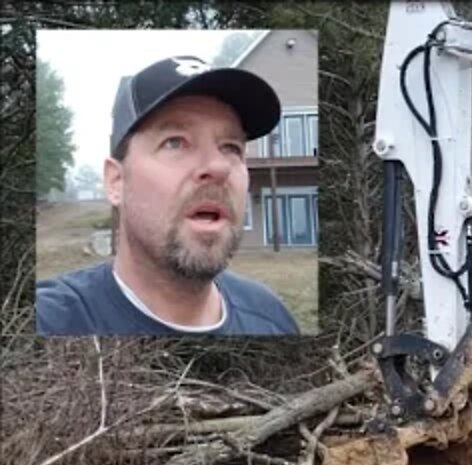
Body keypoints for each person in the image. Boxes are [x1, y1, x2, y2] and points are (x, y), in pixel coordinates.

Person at [36, 55, 300, 336]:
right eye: (175, 143)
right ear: (116, 182)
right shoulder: (50, 321)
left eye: (231, 147)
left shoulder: (272, 318)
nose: (219, 167)